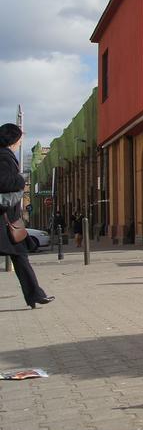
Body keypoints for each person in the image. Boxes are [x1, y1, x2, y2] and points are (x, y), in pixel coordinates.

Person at [0, 123, 54, 308]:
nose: (20, 141)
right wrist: (20, 179)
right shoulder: (4, 156)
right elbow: (4, 182)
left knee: (21, 256)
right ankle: (35, 295)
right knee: (21, 257)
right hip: (5, 219)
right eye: (19, 138)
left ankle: (35, 295)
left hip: (8, 220)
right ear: (13, 139)